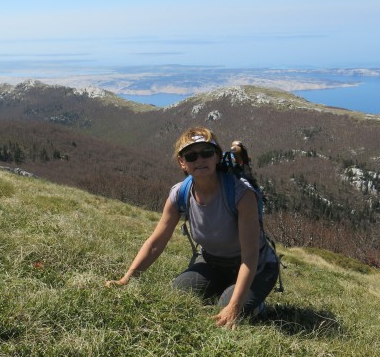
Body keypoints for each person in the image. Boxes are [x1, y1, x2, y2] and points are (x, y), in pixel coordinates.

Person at [106, 127, 280, 329]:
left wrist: (234, 305)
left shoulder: (241, 194)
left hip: (257, 267)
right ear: (183, 163)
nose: (199, 160)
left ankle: (256, 305)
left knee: (227, 307)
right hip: (212, 262)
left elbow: (250, 256)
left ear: (217, 156)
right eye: (191, 156)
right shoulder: (180, 193)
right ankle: (226, 289)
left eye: (207, 153)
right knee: (177, 293)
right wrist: (126, 279)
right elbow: (156, 242)